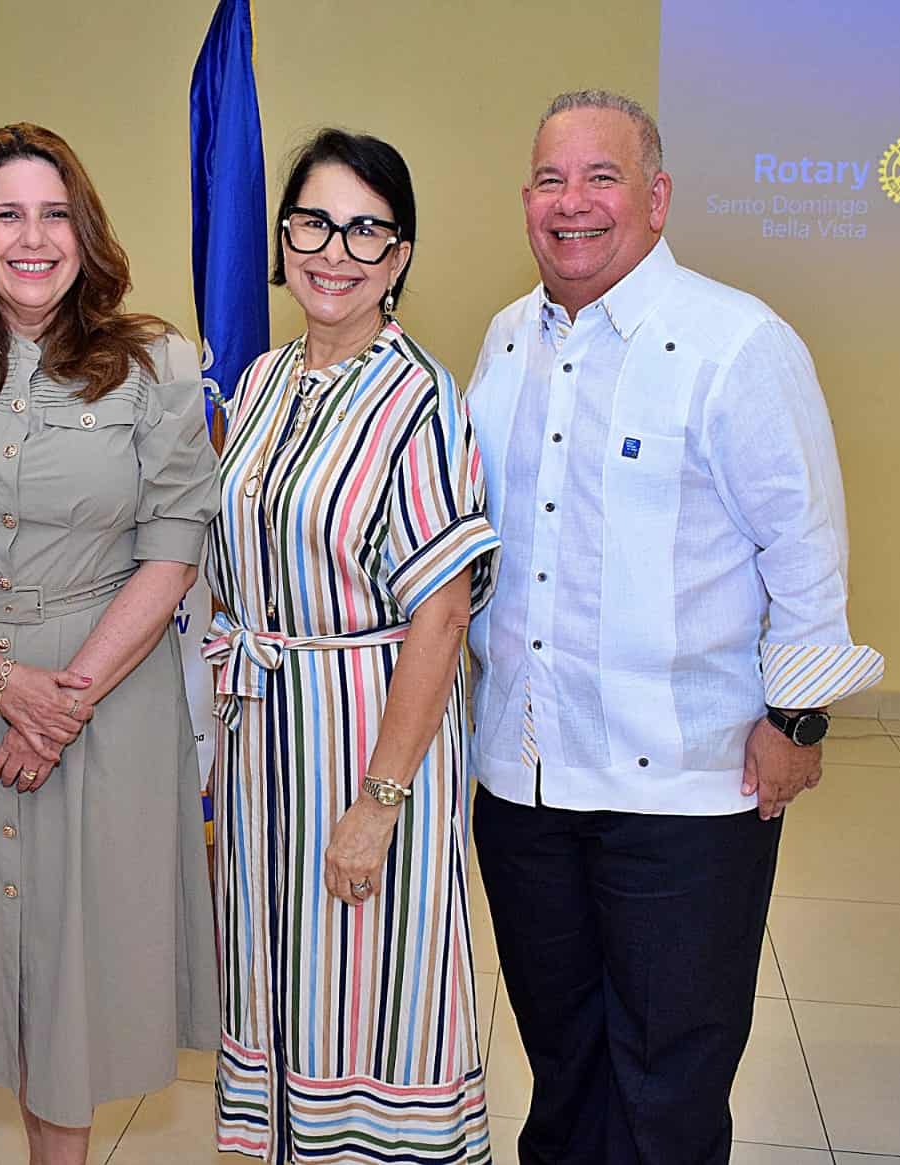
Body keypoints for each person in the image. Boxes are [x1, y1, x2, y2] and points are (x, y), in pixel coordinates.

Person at [466, 90, 884, 1164]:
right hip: (527, 779)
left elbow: (803, 546)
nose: (573, 204)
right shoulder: (505, 343)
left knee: (667, 1083)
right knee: (562, 1067)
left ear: (654, 199)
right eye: (551, 180)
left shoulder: (736, 343)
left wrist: (796, 719)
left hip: (684, 795)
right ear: (525, 202)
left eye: (600, 178)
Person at [0, 122, 220, 1165]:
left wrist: (60, 699)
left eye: (55, 212)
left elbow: (171, 546)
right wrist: (2, 682)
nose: (34, 237)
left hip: (106, 699)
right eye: (7, 214)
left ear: (87, 230)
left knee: (75, 974)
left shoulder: (159, 362)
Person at [205, 129, 501, 1165]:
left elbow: (445, 609)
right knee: (274, 990)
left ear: (402, 254)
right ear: (282, 242)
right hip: (258, 760)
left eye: (366, 229)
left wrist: (375, 805)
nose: (336, 251)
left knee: (373, 1000)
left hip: (368, 752)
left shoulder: (420, 396)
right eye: (313, 224)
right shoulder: (260, 381)